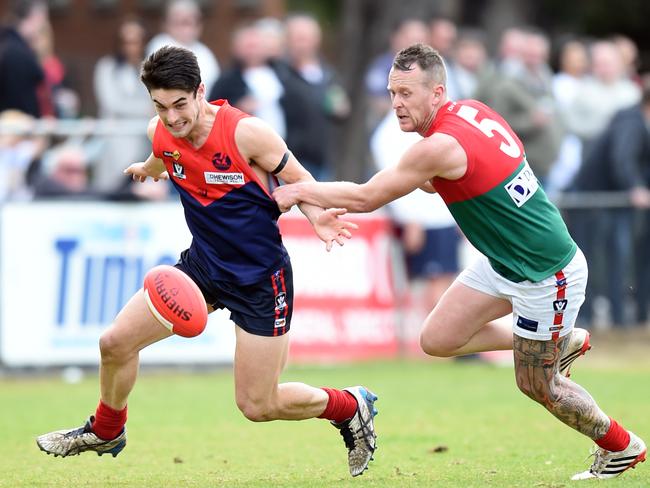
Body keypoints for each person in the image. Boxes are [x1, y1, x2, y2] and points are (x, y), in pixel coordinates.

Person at [272, 43, 647, 480]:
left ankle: (622, 446)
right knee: (438, 339)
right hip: (503, 261)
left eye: (407, 93)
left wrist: (300, 190)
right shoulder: (471, 111)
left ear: (437, 93)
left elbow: (366, 197)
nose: (396, 103)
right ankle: (556, 345)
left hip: (547, 273)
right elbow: (472, 170)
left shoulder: (438, 146)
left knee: (537, 386)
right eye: (393, 92)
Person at [35, 46, 378, 478]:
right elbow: (163, 156)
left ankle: (351, 406)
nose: (173, 118)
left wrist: (317, 217)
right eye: (161, 107)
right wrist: (146, 169)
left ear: (200, 92)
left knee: (259, 405)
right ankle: (107, 429)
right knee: (114, 344)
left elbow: (300, 181)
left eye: (180, 105)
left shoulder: (247, 134)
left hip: (260, 279)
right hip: (202, 266)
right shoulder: (160, 130)